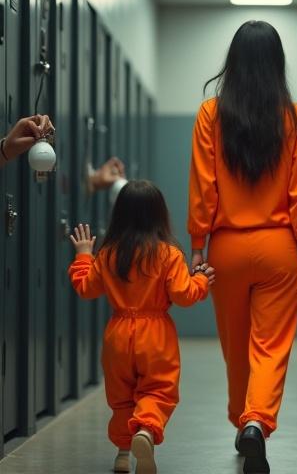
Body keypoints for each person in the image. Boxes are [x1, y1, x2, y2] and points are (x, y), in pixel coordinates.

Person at [188, 20, 297, 474]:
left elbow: (204, 187)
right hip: (279, 249)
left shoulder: (210, 114)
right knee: (271, 346)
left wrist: (198, 247)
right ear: (277, 63)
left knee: (236, 346)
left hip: (225, 249)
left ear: (234, 61)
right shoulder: (296, 117)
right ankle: (257, 423)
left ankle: (241, 423)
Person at [68, 180, 215, 474]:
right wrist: (200, 281)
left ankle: (123, 455)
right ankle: (145, 432)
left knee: (121, 396)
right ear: (160, 214)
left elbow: (85, 288)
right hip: (156, 334)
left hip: (118, 335)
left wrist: (84, 254)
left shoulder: (109, 254)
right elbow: (183, 296)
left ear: (119, 214)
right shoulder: (168, 254)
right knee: (158, 391)